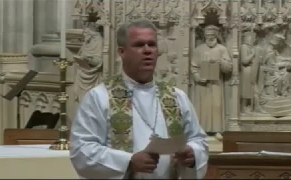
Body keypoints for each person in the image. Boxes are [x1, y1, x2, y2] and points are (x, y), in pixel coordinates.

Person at [69, 19, 208, 179]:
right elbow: (82, 149)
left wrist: (192, 154)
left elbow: (198, 139)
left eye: (152, 44)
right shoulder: (99, 98)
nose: (147, 50)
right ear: (121, 52)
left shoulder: (177, 97)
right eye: (139, 45)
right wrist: (128, 161)